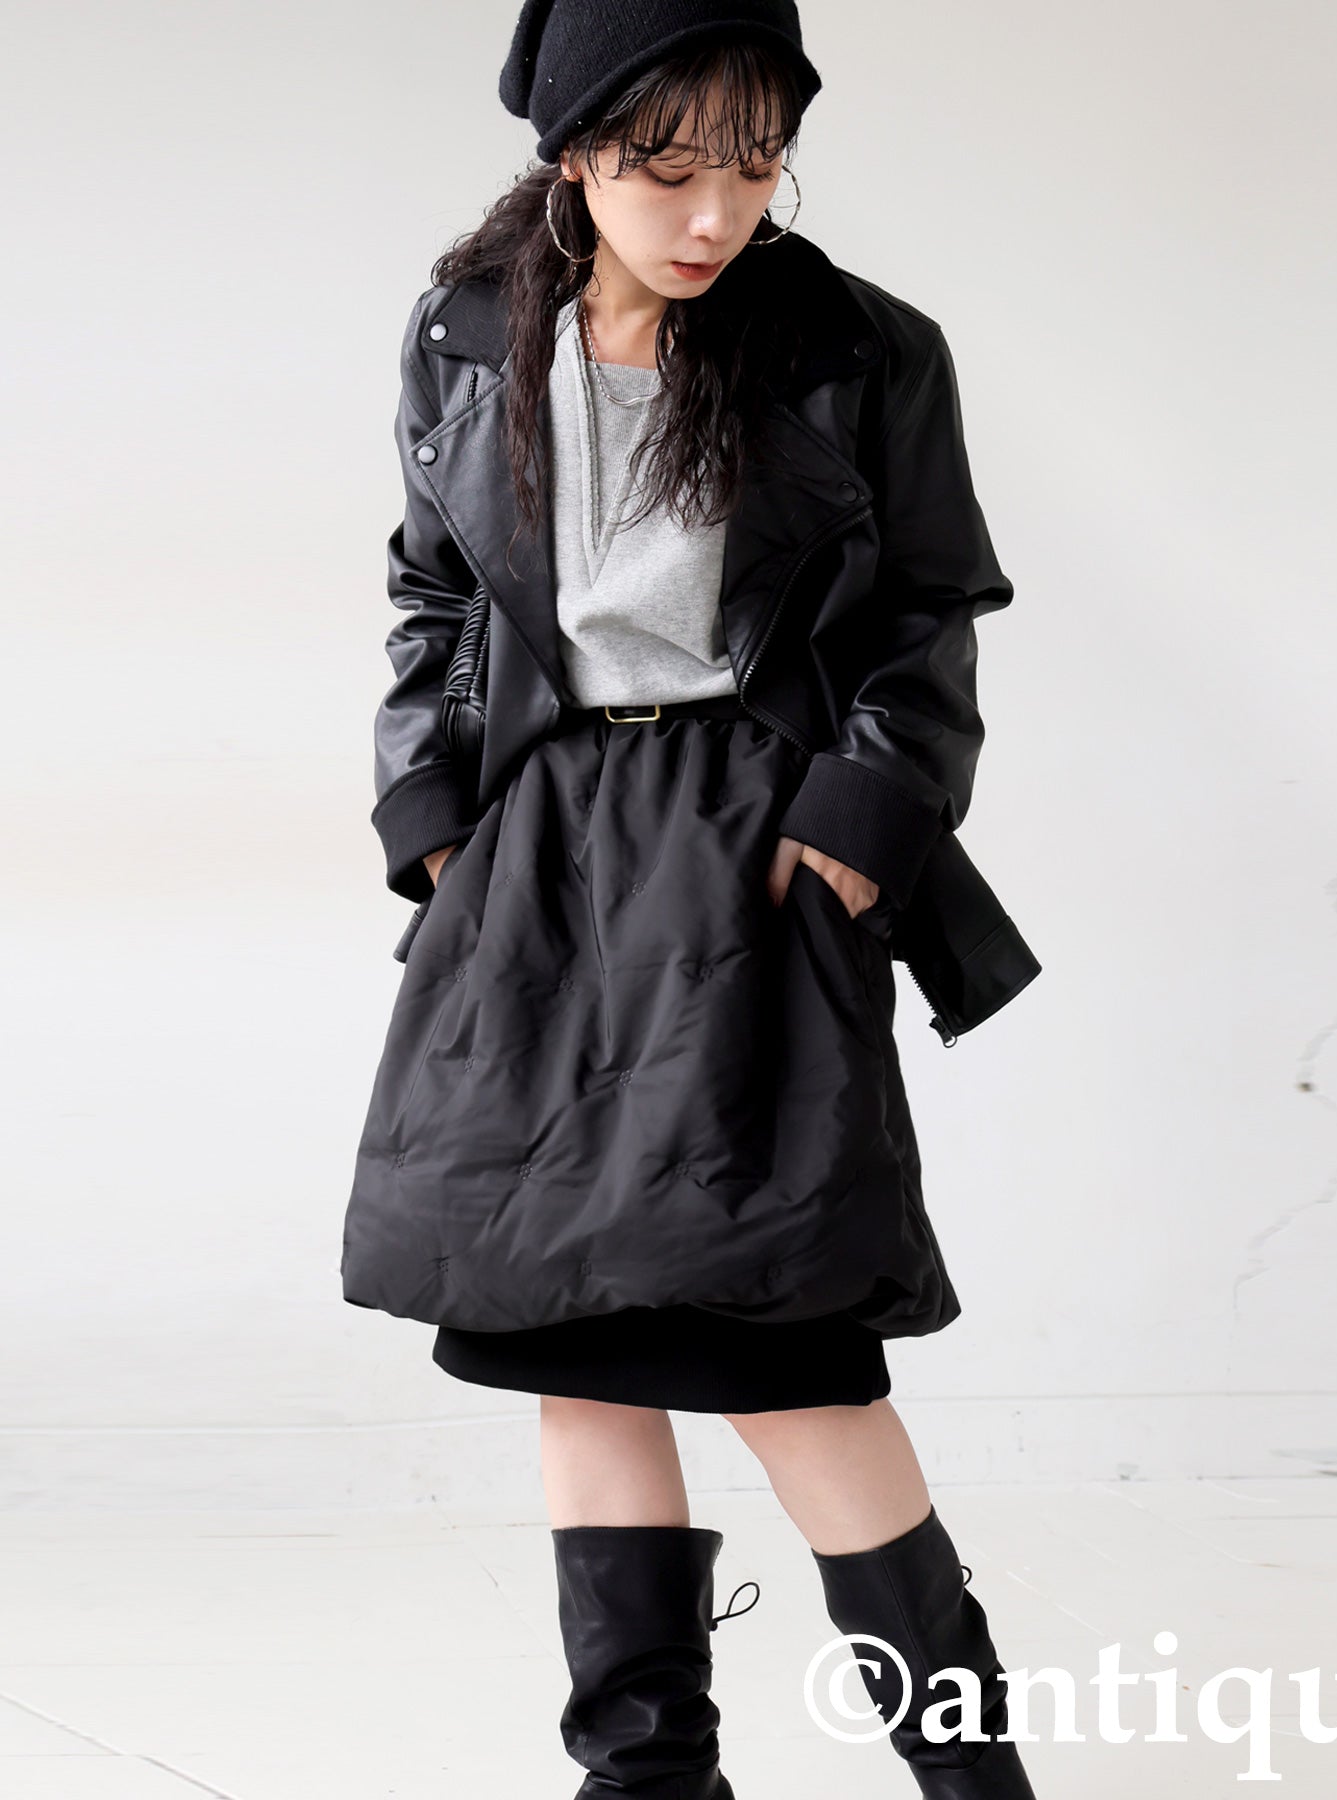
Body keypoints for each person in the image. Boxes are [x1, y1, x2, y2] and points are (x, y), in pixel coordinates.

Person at [341, 2, 1038, 1793]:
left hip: (752, 851)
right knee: (572, 1339)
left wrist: (862, 820)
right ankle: (647, 1780)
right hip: (539, 867)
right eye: (666, 168)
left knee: (796, 1348)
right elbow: (435, 591)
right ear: (575, 152)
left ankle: (974, 1779)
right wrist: (432, 815)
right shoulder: (468, 332)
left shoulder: (860, 349)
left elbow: (926, 613)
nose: (716, 211)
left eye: (754, 162)